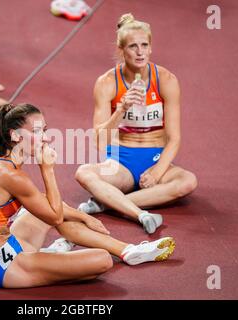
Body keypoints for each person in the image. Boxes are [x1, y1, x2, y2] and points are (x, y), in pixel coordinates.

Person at [0, 103, 176, 288]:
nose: (45, 138)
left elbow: (48, 205)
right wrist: (47, 169)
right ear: (15, 136)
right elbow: (54, 217)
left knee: (54, 206)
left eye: (44, 130)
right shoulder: (11, 176)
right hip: (3, 268)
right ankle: (52, 258)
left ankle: (128, 251)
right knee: (101, 261)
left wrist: (83, 217)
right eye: (36, 132)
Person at [74, 13, 198, 235]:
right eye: (133, 46)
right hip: (121, 162)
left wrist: (157, 173)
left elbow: (175, 138)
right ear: (122, 51)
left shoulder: (167, 80)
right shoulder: (107, 83)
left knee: (188, 182)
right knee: (83, 173)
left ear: (151, 48)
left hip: (155, 160)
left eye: (144, 45)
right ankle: (134, 210)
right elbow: (99, 139)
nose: (140, 52)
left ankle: (108, 201)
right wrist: (120, 110)